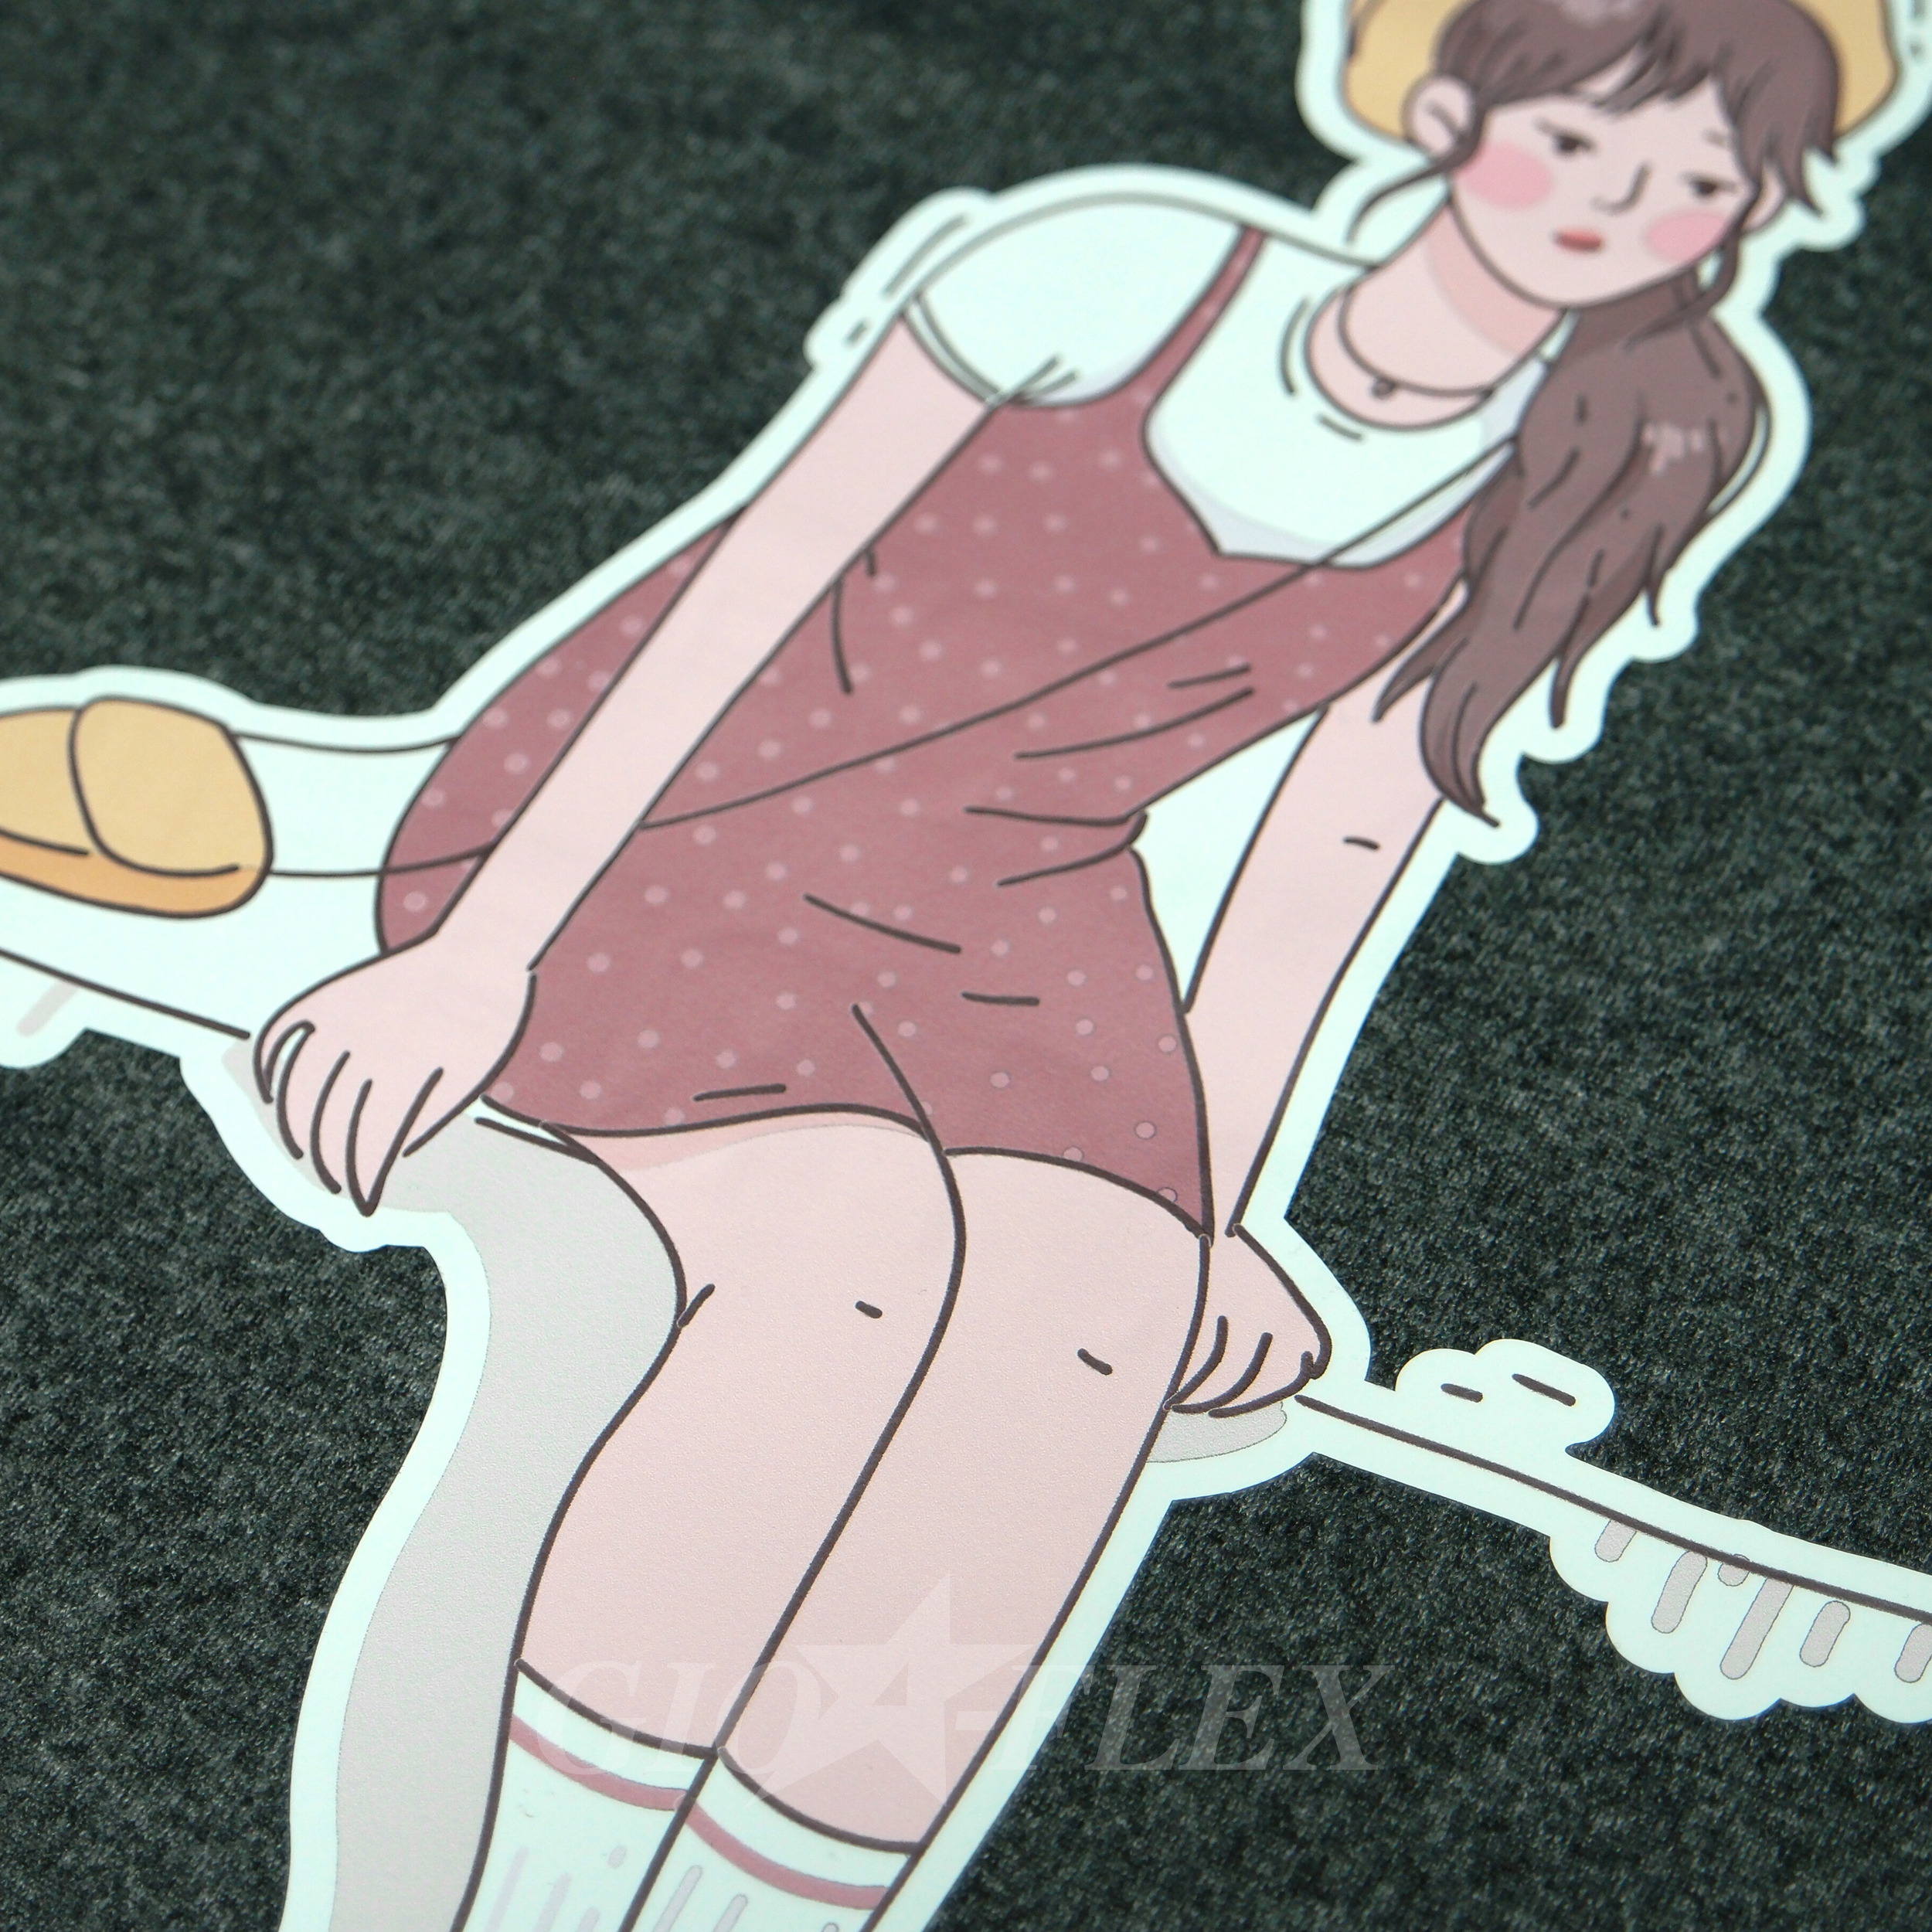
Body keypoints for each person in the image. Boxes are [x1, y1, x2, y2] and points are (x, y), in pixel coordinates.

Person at [0, 0, 1903, 1926]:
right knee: (849, 1261)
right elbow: (745, 587)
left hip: (1024, 918)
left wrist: (1216, 1215)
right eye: (1577, 141)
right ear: (1446, 104)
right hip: (711, 820)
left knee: (1090, 1332)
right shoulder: (1115, 267)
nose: (1615, 207)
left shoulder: (1590, 461)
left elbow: (1341, 836)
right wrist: (483, 948)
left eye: (1691, 179)